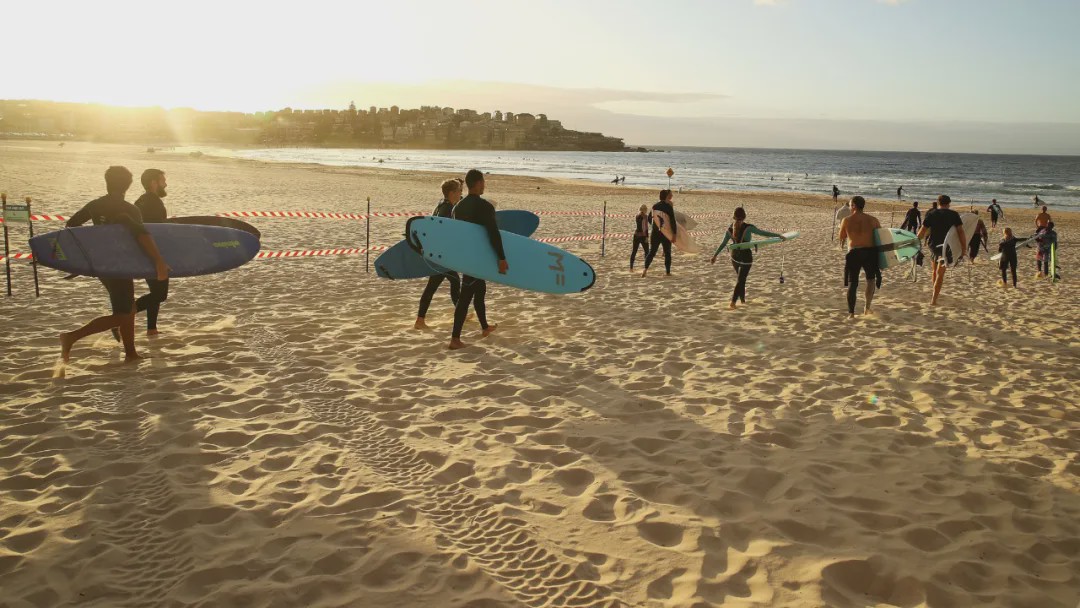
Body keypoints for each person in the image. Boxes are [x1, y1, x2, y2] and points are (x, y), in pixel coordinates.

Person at [59, 166, 169, 362]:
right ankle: (71, 337)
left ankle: (131, 353)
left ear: (107, 182)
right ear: (128, 185)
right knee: (125, 313)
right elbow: (142, 236)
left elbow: (71, 225)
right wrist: (159, 261)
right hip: (120, 263)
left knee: (125, 307)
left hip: (101, 264)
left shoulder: (94, 205)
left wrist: (90, 247)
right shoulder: (129, 209)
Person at [448, 169, 506, 350]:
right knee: (465, 298)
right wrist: (501, 258)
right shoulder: (485, 207)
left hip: (465, 256)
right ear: (479, 183)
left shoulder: (458, 207)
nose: (484, 185)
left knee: (480, 290)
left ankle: (485, 327)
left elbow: (456, 233)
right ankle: (455, 339)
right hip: (477, 258)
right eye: (483, 182)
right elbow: (493, 234)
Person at [710, 207, 786, 310]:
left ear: (734, 217)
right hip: (746, 257)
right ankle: (733, 302)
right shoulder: (748, 227)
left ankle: (742, 301)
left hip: (734, 257)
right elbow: (764, 233)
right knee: (741, 280)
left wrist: (715, 256)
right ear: (744, 217)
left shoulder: (729, 230)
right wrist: (779, 236)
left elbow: (723, 244)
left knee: (740, 280)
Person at [415, 178, 463, 329]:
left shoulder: (442, 204)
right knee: (444, 283)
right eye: (459, 191)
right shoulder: (446, 209)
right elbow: (442, 231)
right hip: (441, 255)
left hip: (438, 253)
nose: (461, 193)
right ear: (451, 193)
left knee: (448, 282)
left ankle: (421, 319)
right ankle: (420, 320)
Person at [132, 168, 170, 336]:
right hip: (154, 252)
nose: (165, 184)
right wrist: (159, 258)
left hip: (144, 250)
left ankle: (151, 329)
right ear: (154, 183)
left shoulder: (140, 201)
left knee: (155, 291)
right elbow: (155, 229)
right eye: (162, 181)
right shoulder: (153, 201)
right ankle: (122, 315)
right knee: (160, 294)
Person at [836, 196, 882, 318]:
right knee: (871, 280)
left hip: (854, 253)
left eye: (851, 205)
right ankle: (867, 308)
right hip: (870, 253)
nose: (850, 207)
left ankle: (851, 313)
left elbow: (841, 237)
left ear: (854, 206)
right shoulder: (874, 220)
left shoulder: (846, 220)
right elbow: (880, 237)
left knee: (853, 283)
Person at [917, 194, 965, 306]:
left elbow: (922, 231)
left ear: (938, 203)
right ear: (949, 203)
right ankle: (934, 299)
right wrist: (963, 248)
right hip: (947, 247)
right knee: (940, 273)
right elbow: (961, 232)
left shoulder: (931, 214)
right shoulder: (954, 214)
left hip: (933, 246)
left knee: (934, 271)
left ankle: (935, 290)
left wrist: (916, 242)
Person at [641, 189, 677, 277]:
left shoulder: (655, 206)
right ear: (666, 197)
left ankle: (645, 270)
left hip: (655, 232)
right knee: (667, 252)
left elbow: (649, 218)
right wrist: (674, 234)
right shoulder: (668, 207)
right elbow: (672, 221)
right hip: (665, 233)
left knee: (652, 252)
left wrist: (655, 225)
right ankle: (668, 272)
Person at [630, 204, 650, 270]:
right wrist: (647, 237)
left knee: (634, 251)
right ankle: (646, 267)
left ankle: (631, 268)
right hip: (643, 236)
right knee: (647, 252)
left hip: (636, 235)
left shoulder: (637, 216)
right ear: (645, 210)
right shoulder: (645, 217)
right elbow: (645, 228)